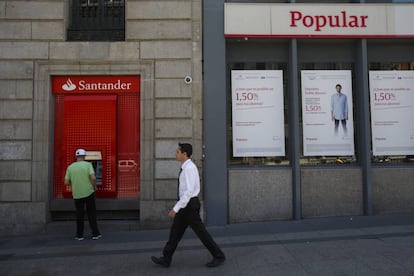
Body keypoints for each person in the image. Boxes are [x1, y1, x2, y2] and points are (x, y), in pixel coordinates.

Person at [151, 143, 226, 268]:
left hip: (189, 206)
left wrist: (176, 208)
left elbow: (189, 191)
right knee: (175, 233)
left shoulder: (189, 168)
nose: (176, 154)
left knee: (202, 233)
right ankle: (166, 258)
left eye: (178, 152)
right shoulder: (185, 167)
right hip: (185, 205)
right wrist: (179, 207)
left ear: (184, 154)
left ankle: (219, 256)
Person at [64, 148, 102, 241]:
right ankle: (95, 234)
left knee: (79, 215)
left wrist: (74, 184)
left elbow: (66, 182)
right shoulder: (88, 165)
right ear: (84, 156)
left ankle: (79, 235)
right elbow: (93, 178)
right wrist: (94, 186)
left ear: (76, 156)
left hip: (77, 194)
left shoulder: (70, 167)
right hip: (89, 192)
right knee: (91, 214)